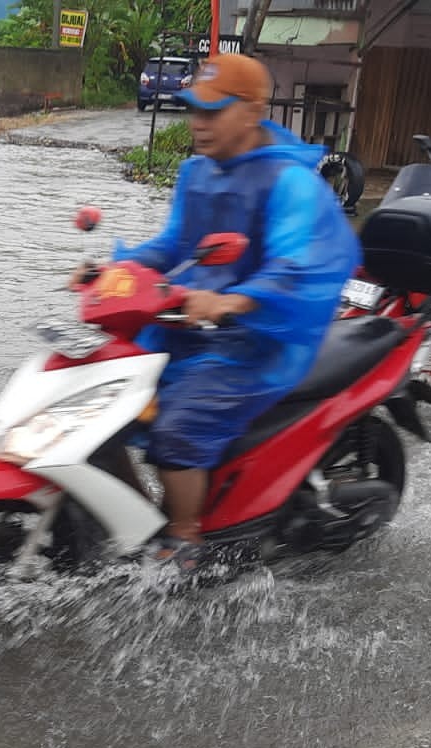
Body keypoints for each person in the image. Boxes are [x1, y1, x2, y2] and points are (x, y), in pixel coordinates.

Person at [75, 53, 361, 569]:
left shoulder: (289, 182)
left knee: (177, 427)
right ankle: (141, 522)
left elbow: (291, 266)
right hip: (191, 325)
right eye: (194, 110)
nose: (198, 123)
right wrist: (111, 272)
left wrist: (230, 300)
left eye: (213, 111)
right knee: (98, 407)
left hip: (259, 338)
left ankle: (185, 538)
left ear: (251, 112)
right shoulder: (196, 172)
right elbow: (172, 246)